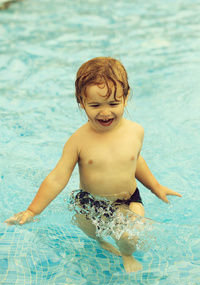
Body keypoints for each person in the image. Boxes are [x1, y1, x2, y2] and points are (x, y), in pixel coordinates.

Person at [5, 57, 182, 273]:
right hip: (90, 203)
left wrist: (156, 187)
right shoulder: (78, 141)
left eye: (113, 104)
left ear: (126, 98)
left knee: (128, 234)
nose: (105, 112)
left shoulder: (136, 131)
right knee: (91, 230)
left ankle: (127, 254)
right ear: (81, 103)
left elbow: (135, 160)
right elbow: (58, 177)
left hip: (128, 199)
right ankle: (101, 242)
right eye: (95, 105)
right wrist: (33, 210)